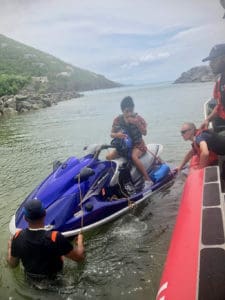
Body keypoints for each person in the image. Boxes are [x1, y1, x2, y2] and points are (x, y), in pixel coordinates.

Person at [7, 199, 85, 280]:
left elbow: (13, 264)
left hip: (30, 282)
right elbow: (79, 258)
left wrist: (10, 247)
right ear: (45, 214)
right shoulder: (55, 237)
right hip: (56, 282)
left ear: (25, 218)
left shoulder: (17, 236)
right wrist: (80, 242)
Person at [106, 96, 151, 184]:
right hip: (124, 147)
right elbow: (111, 134)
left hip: (138, 146)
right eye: (127, 111)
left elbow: (145, 133)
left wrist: (137, 123)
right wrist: (117, 135)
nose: (129, 113)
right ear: (122, 111)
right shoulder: (118, 120)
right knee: (108, 157)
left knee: (134, 157)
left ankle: (147, 179)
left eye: (131, 110)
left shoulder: (138, 118)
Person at [201, 44, 225, 132]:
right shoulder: (220, 82)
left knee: (204, 138)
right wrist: (207, 119)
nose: (210, 64)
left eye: (214, 60)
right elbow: (219, 105)